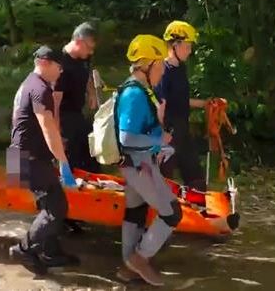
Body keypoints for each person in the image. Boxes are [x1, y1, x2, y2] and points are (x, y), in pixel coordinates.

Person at [115, 35, 182, 287]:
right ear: (147, 64)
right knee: (171, 213)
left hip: (134, 164)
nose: (163, 70)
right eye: (160, 65)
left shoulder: (137, 88)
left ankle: (128, 267)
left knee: (135, 211)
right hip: (139, 165)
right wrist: (159, 143)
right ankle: (140, 258)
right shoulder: (134, 93)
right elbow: (127, 136)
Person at [8, 45, 80, 274]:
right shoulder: (40, 89)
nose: (61, 72)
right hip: (27, 158)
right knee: (57, 207)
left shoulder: (28, 82)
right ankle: (24, 249)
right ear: (46, 62)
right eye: (59, 67)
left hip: (17, 156)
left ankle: (50, 253)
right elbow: (48, 128)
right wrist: (63, 162)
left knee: (49, 204)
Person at [154, 20, 208, 193]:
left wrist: (205, 104)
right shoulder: (163, 70)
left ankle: (198, 210)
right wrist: (160, 135)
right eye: (187, 46)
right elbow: (160, 105)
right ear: (175, 45)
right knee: (164, 177)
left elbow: (181, 99)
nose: (190, 51)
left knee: (195, 176)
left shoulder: (181, 68)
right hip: (168, 130)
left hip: (183, 128)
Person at [53, 22, 100, 173]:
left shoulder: (83, 57)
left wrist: (91, 92)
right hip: (63, 116)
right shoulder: (60, 64)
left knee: (92, 153)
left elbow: (87, 74)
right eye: (89, 48)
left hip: (78, 113)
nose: (91, 52)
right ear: (79, 41)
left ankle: (96, 186)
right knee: (72, 160)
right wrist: (57, 134)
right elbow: (55, 102)